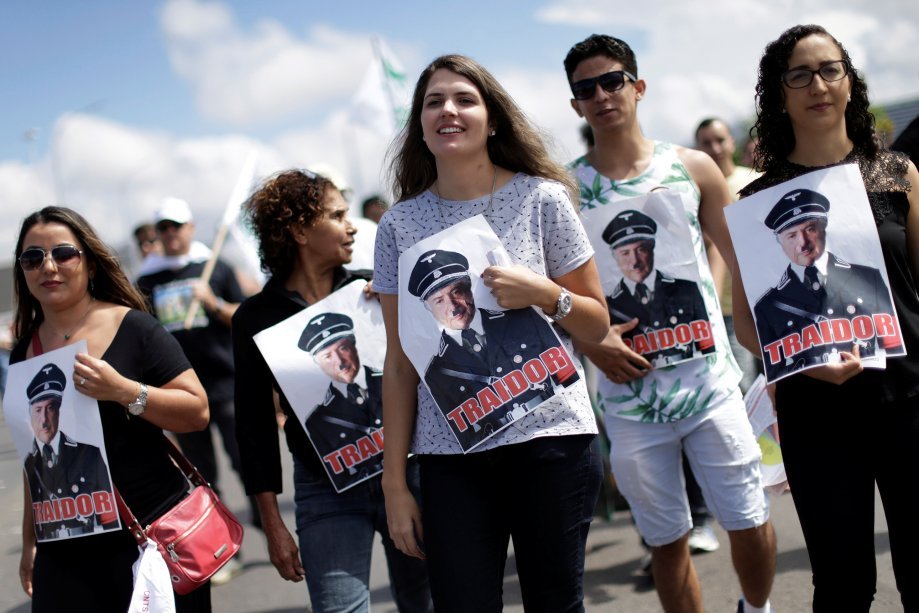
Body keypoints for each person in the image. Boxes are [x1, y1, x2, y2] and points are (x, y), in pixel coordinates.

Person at [375, 53, 609, 613]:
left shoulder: (542, 198)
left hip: (552, 445)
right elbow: (400, 364)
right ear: (419, 125)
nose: (448, 111)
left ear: (494, 119)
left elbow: (597, 323)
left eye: (464, 99)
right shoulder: (397, 226)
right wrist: (394, 485)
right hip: (450, 460)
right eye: (433, 102)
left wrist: (546, 294)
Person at [564, 34, 776, 613]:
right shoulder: (562, 190)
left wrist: (771, 353)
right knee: (665, 539)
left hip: (712, 386)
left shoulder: (693, 167)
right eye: (587, 88)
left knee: (749, 516)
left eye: (612, 81)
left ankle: (756, 608)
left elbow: (744, 265)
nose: (602, 95)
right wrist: (592, 343)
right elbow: (551, 290)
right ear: (575, 103)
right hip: (628, 401)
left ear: (638, 86)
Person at [732, 24, 919, 610]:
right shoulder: (756, 201)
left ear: (849, 81)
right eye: (799, 74)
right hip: (817, 412)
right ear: (779, 93)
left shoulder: (898, 174)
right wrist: (806, 363)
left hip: (910, 397)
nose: (817, 84)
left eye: (829, 69)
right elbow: (747, 324)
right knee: (841, 585)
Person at [232, 169, 432, 613]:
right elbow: (253, 426)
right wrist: (272, 523)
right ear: (300, 230)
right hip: (325, 490)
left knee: (428, 604)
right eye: (337, 215)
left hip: (408, 472)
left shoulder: (374, 287)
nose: (352, 226)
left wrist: (399, 306)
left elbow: (430, 363)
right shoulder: (255, 318)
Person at [12, 206, 210, 611]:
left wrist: (124, 391)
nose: (48, 266)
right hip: (64, 551)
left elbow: (196, 411)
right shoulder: (24, 351)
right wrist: (31, 540)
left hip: (149, 539)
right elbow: (35, 462)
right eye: (32, 257)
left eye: (63, 253)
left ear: (89, 262)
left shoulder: (134, 327)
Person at [137, 197, 256, 559]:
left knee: (247, 464)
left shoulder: (214, 267)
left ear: (190, 227)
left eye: (177, 226)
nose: (171, 233)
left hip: (226, 386)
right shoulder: (146, 282)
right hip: (181, 395)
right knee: (204, 476)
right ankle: (227, 550)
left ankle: (271, 531)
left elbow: (246, 318)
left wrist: (213, 304)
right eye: (164, 228)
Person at [408, 249, 578, 450]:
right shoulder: (436, 373)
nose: (453, 306)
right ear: (427, 307)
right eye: (439, 300)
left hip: (554, 437)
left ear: (469, 287)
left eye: (457, 292)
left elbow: (566, 376)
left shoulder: (521, 317)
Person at [753, 188, 898, 380]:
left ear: (825, 227)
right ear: (779, 241)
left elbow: (893, 343)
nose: (803, 243)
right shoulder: (768, 305)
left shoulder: (869, 278)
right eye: (791, 235)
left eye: (810, 229)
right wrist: (815, 370)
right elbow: (766, 353)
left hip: (879, 383)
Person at [695, 118, 762, 394]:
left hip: (764, 295)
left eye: (720, 140)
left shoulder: (755, 180)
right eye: (706, 143)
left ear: (732, 142)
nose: (715, 148)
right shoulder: (695, 192)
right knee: (744, 385)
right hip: (725, 308)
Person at [602, 209, 714, 366]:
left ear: (652, 247)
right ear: (614, 256)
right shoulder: (608, 305)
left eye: (641, 249)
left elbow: (709, 350)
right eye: (625, 253)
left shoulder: (686, 289)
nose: (635, 262)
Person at [23, 362, 115, 539]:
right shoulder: (30, 462)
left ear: (59, 411)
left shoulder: (90, 454)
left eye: (50, 408)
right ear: (30, 414)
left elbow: (109, 518)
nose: (44, 421)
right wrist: (28, 544)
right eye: (38, 410)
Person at [297, 312, 384, 478]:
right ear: (317, 363)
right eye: (327, 356)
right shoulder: (317, 421)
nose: (340, 362)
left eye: (343, 348)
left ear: (354, 344)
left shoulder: (392, 380)